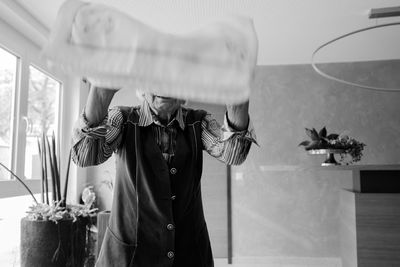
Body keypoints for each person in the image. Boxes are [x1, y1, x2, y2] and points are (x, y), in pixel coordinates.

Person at [71, 83, 257, 267]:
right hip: (129, 257)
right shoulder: (123, 118)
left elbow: (233, 153)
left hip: (189, 255)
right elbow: (84, 156)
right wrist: (101, 90)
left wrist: (237, 92)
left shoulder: (198, 122)